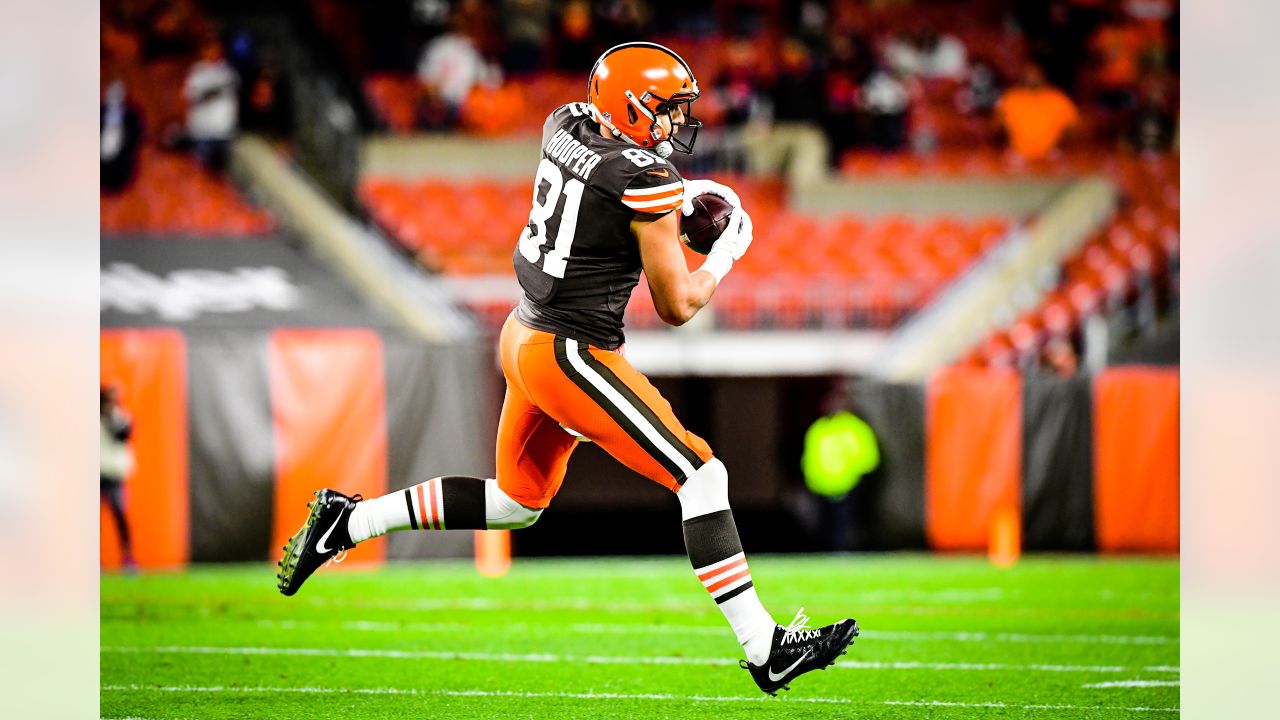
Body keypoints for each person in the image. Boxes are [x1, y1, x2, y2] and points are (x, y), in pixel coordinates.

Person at [277, 41, 858, 696]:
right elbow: (676, 304)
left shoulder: (567, 124)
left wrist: (678, 201)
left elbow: (607, 194)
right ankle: (765, 647)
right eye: (665, 110)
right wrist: (723, 255)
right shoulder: (645, 177)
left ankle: (349, 522)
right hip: (570, 351)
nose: (673, 123)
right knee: (702, 475)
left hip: (524, 333)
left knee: (516, 502)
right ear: (633, 107)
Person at [994, 62, 1079, 162]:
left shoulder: (1057, 97)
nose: (1032, 78)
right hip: (1017, 153)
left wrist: (1062, 146)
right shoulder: (1011, 97)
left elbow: (1073, 127)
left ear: (1043, 76)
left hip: (1051, 152)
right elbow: (997, 126)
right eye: (1029, 75)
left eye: (1036, 75)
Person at [182, 39, 240, 173]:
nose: (212, 53)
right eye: (208, 49)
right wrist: (217, 90)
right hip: (203, 130)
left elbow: (235, 96)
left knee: (221, 174)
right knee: (198, 171)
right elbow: (194, 97)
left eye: (215, 49)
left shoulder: (228, 72)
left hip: (224, 130)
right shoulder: (197, 71)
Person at [100, 386, 136, 569]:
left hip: (115, 475)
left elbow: (124, 435)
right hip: (98, 474)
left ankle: (127, 557)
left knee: (120, 514)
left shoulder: (120, 417)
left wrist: (112, 417)